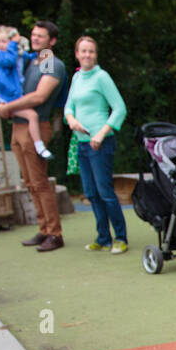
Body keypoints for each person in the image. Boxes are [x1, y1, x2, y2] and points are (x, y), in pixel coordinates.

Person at [0, 21, 68, 252]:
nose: (36, 39)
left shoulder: (50, 62)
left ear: (52, 41)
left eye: (41, 36)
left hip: (35, 127)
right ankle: (44, 229)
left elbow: (39, 97)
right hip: (18, 126)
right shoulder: (29, 62)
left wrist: (8, 108)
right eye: (34, 35)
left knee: (39, 182)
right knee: (29, 183)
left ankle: (55, 234)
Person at [64, 35, 129, 254]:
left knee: (105, 192)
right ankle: (103, 237)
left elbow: (119, 108)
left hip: (100, 144)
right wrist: (72, 121)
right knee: (91, 193)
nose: (87, 55)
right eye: (83, 51)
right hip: (82, 144)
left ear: (96, 54)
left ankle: (120, 237)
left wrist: (101, 134)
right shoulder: (76, 78)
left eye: (91, 51)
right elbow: (68, 107)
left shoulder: (102, 77)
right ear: (77, 54)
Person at [0, 25, 51, 159]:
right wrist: (13, 43)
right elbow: (10, 61)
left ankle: (39, 145)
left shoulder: (15, 53)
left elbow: (28, 57)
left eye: (4, 41)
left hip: (15, 97)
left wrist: (39, 54)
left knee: (32, 116)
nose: (1, 45)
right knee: (32, 116)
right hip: (8, 98)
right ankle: (39, 146)